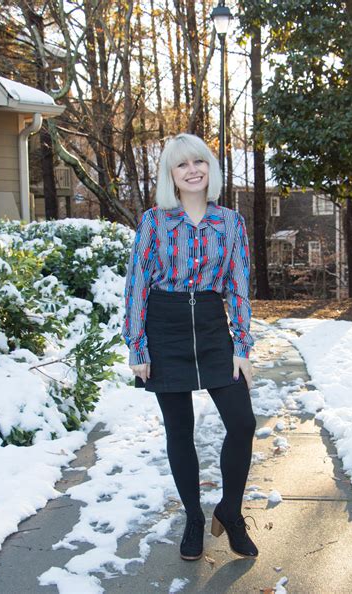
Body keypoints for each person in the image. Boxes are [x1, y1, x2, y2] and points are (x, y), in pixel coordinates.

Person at [121, 133, 258, 561]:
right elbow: (137, 285)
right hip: (166, 327)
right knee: (179, 431)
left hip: (214, 330)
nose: (192, 170)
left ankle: (230, 513)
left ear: (210, 168)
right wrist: (137, 346)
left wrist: (242, 344)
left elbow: (237, 286)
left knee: (243, 423)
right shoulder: (154, 222)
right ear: (171, 175)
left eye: (199, 161)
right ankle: (194, 519)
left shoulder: (230, 223)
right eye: (182, 165)